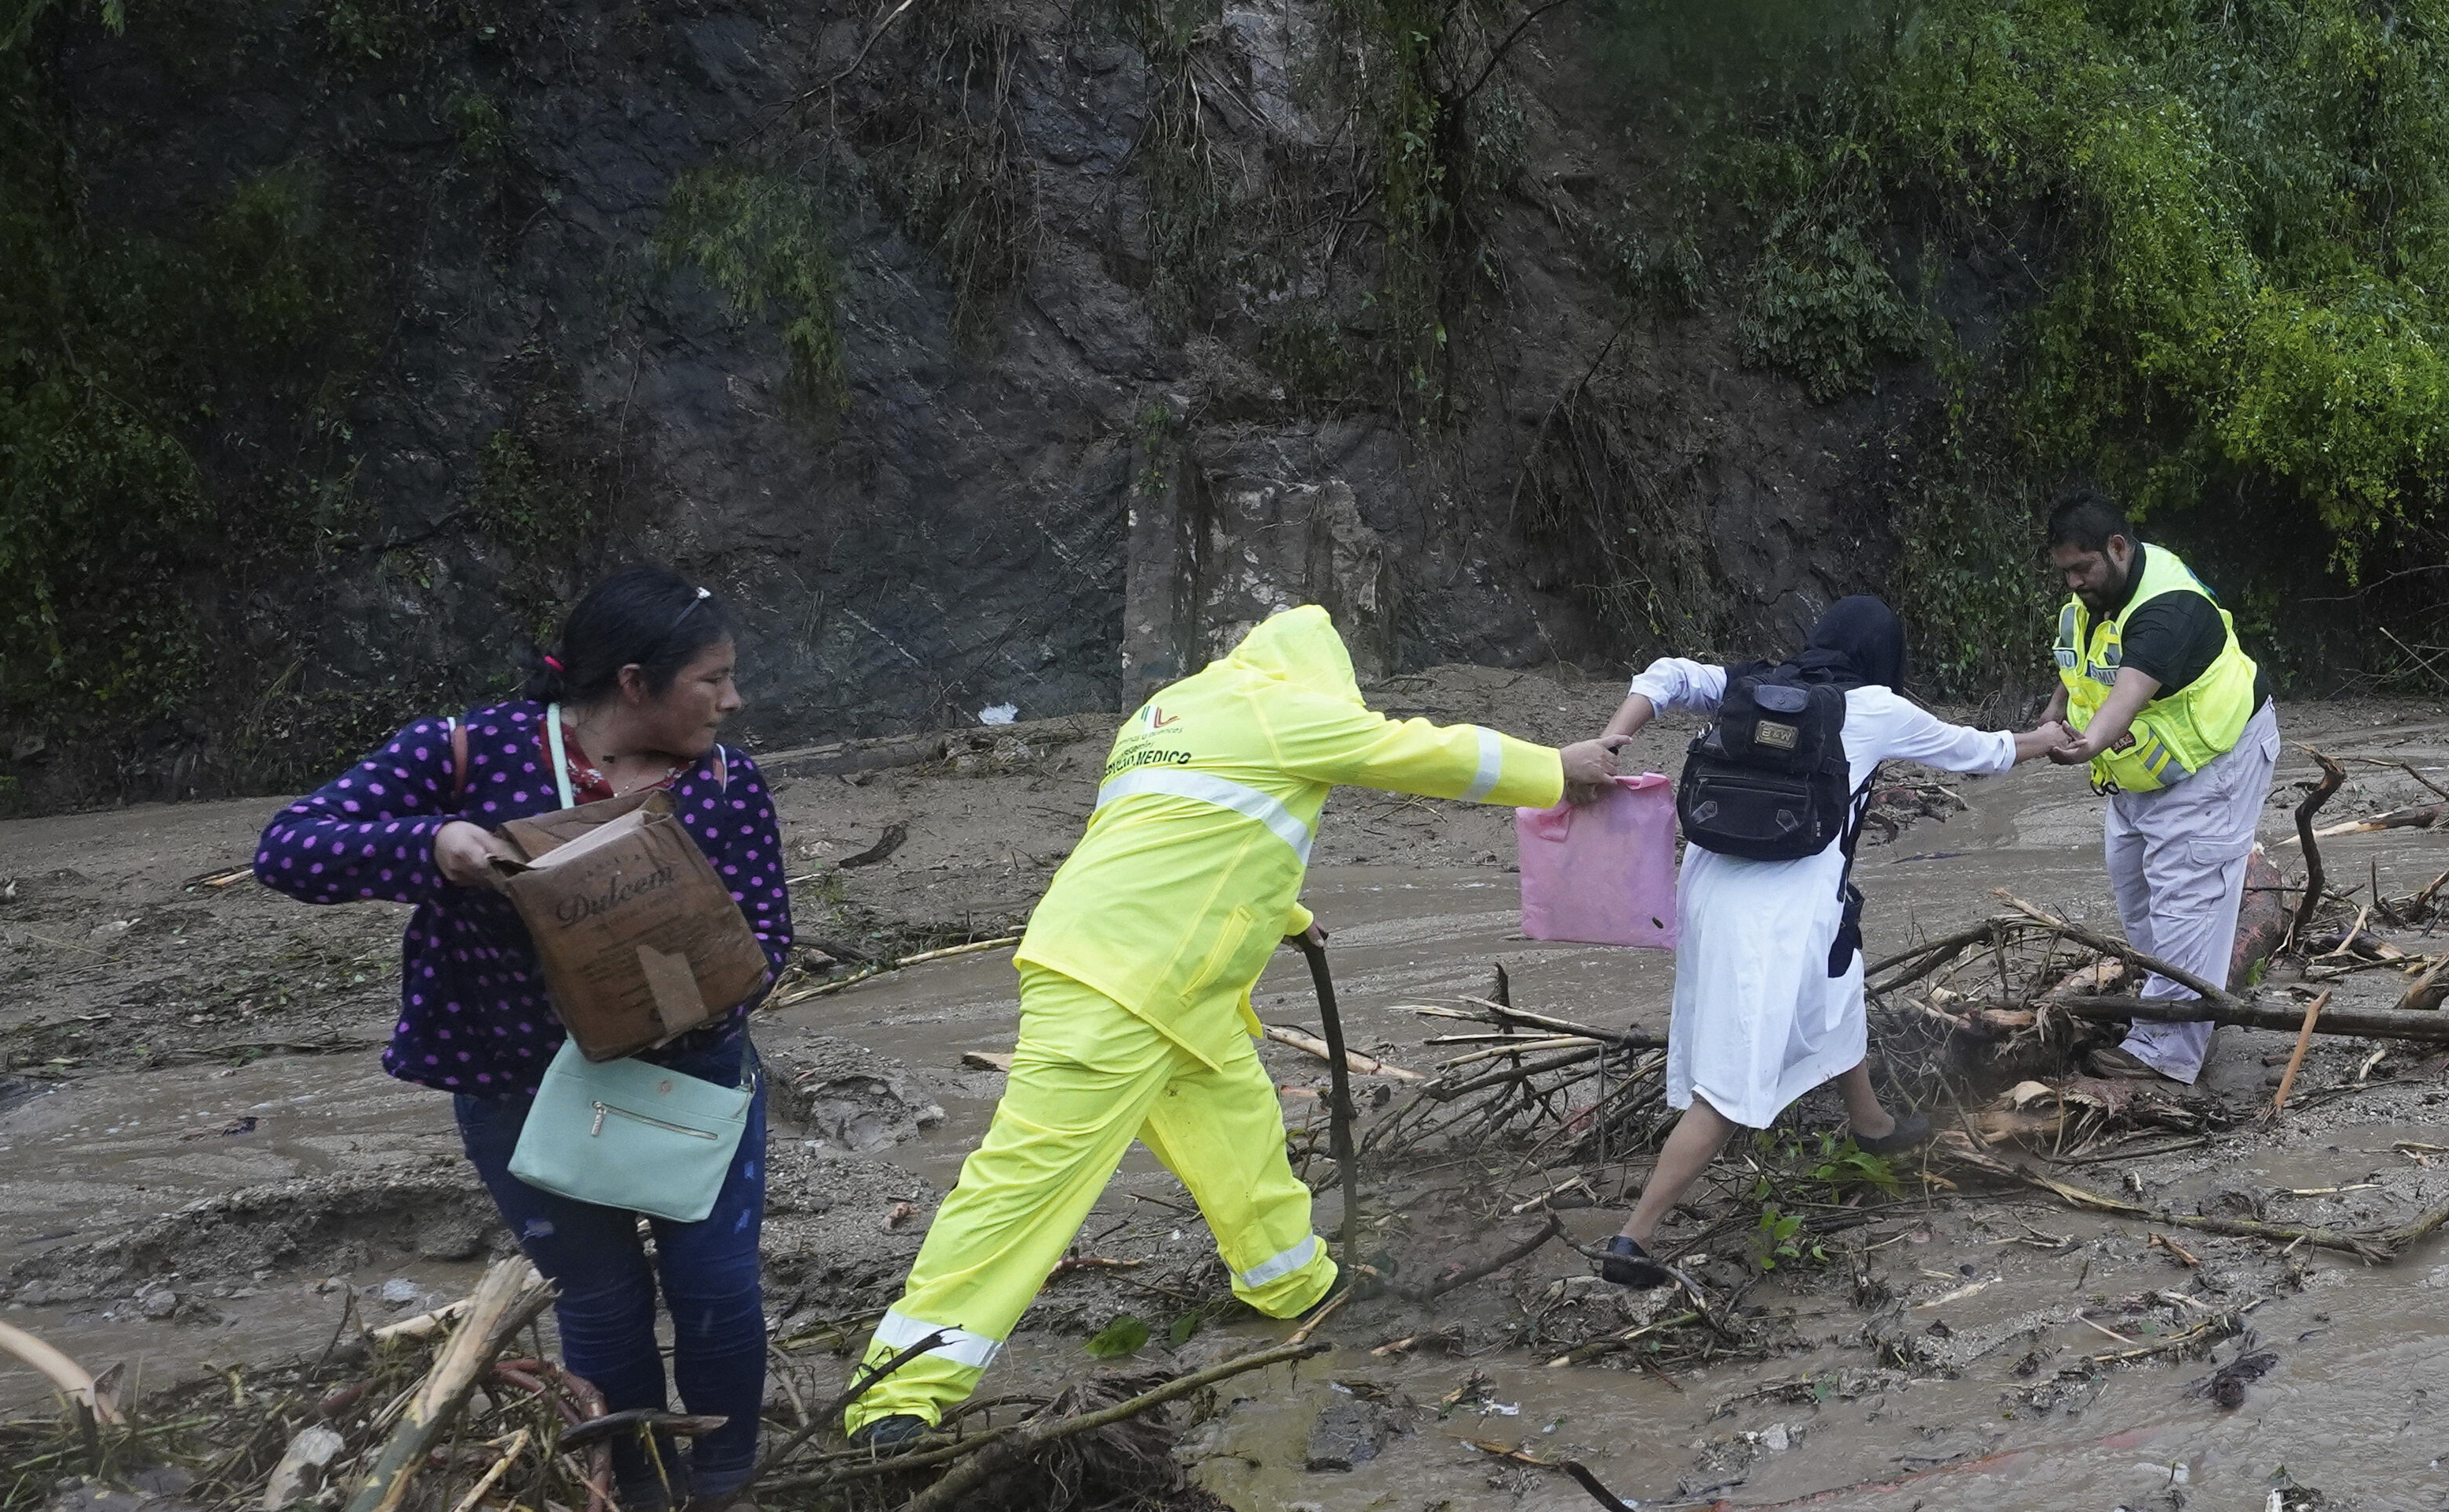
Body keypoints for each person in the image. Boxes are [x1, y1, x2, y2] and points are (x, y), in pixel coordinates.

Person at [845, 605, 1614, 1443]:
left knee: (1239, 1134)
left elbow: (1194, 838)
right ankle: (895, 1395)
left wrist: (1287, 913)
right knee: (1025, 1187)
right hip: (1125, 985)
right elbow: (1417, 750)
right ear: (1322, 674)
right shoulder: (1279, 709)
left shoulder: (1168, 713)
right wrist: (1554, 768)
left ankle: (1291, 1285)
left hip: (1157, 980)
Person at [256, 567, 791, 1512]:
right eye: (711, 680)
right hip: (520, 1080)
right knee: (601, 1296)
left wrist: (696, 995)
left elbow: (768, 940)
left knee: (716, 1285)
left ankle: (725, 1488)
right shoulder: (469, 756)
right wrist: (434, 844)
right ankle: (636, 1499)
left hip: (691, 1075)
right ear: (635, 682)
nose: (732, 701)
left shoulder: (725, 782)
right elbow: (289, 847)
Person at [1579, 596, 2073, 1286]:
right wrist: (2045, 739)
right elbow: (1978, 753)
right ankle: (1632, 1240)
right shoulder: (1873, 708)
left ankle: (1870, 1122)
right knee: (1732, 1081)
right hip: (1778, 912)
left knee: (1837, 985)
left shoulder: (1752, 682)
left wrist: (1612, 739)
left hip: (1712, 887)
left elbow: (1664, 673)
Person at [2034, 491, 2279, 1082]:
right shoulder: (2093, 596)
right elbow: (2079, 669)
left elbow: (2126, 693)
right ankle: (2170, 1008)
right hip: (2143, 771)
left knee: (2185, 900)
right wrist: (2051, 716)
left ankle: (2165, 1055)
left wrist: (2083, 745)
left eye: (2081, 569)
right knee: (2136, 893)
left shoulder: (2166, 606)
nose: (2072, 582)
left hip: (2214, 762)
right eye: (2062, 571)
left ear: (2117, 548)